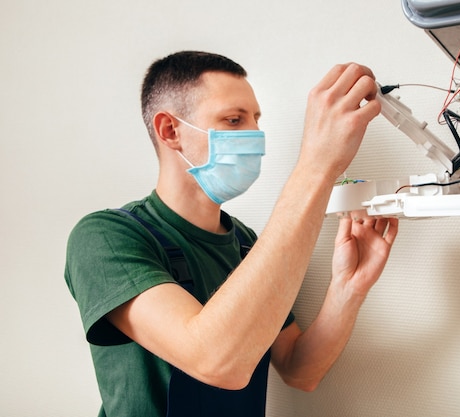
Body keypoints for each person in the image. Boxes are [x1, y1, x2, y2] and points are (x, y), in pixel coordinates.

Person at [65, 50, 399, 417]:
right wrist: (317, 165)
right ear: (170, 131)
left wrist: (348, 288)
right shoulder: (107, 237)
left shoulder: (244, 243)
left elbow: (299, 370)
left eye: (256, 120)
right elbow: (214, 361)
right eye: (233, 120)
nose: (254, 135)